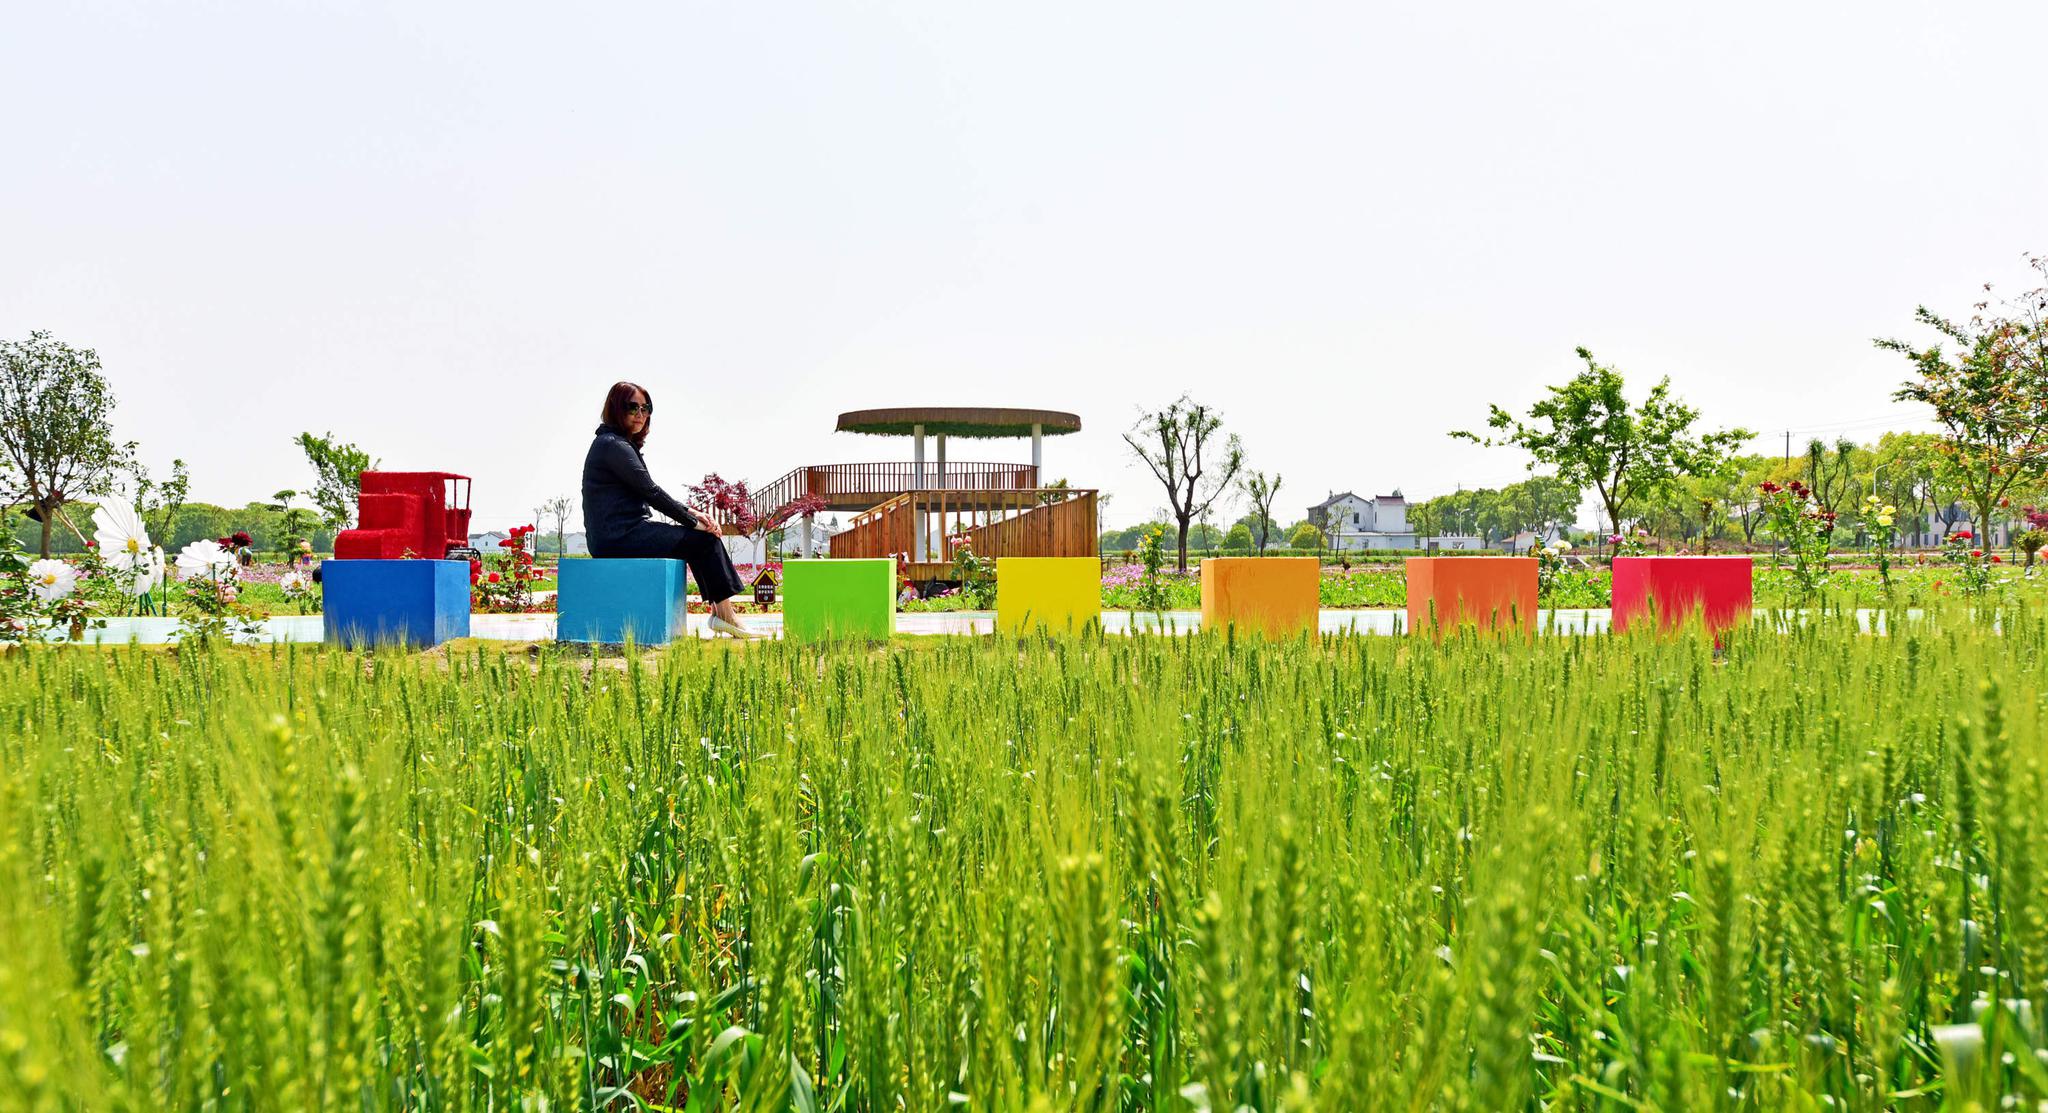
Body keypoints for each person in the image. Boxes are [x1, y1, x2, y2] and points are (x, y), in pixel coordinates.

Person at [582, 381, 761, 638]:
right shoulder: (613, 445)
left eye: (646, 408)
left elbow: (647, 489)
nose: (640, 414)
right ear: (615, 408)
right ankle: (725, 616)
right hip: (620, 536)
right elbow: (651, 492)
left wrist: (693, 512)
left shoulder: (614, 444)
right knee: (703, 541)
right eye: (632, 407)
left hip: (620, 534)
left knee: (697, 542)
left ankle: (721, 614)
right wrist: (693, 521)